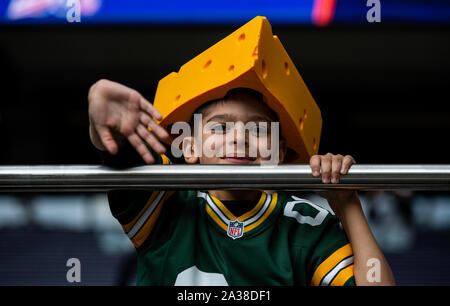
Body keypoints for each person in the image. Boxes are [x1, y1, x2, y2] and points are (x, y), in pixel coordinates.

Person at [88, 79, 395, 286]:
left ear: (280, 152)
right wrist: (105, 120)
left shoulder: (308, 225)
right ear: (190, 147)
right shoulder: (167, 201)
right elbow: (118, 148)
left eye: (259, 130)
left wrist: (347, 203)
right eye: (221, 127)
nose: (240, 137)